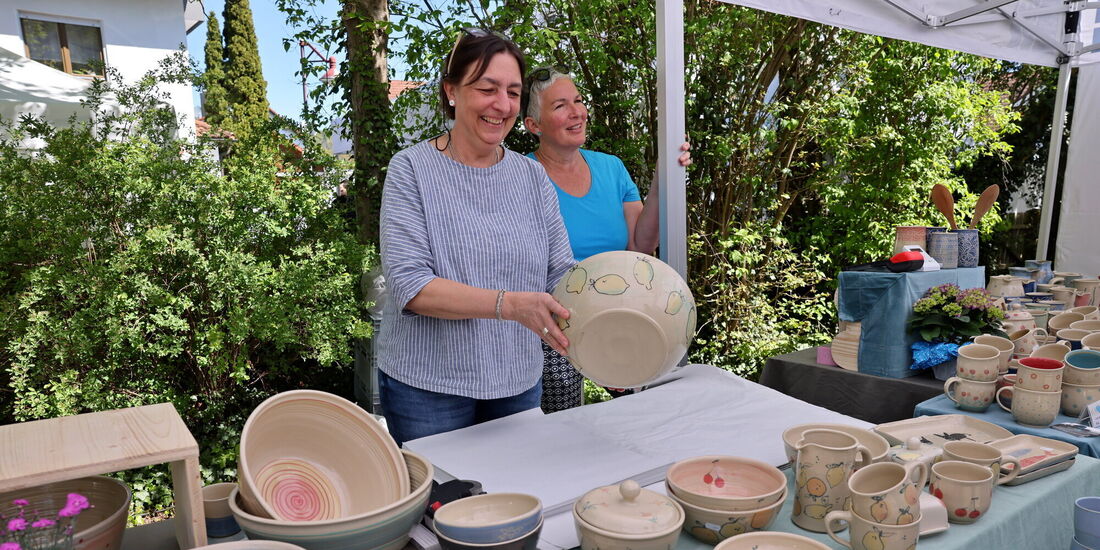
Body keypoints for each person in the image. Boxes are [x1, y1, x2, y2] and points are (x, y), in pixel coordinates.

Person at [377, 30, 576, 446]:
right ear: (451, 91)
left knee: (516, 486)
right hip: (428, 389)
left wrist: (611, 324)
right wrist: (510, 305)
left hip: (517, 381)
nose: (502, 104)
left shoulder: (531, 175)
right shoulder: (411, 169)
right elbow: (411, 286)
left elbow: (562, 272)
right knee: (446, 491)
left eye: (513, 92)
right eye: (487, 89)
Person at [522, 65, 692, 412]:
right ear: (533, 125)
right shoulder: (520, 176)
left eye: (578, 101)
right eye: (560, 106)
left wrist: (663, 179)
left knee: (650, 410)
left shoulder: (610, 168)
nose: (577, 112)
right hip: (553, 326)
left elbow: (641, 247)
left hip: (621, 310)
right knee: (562, 423)